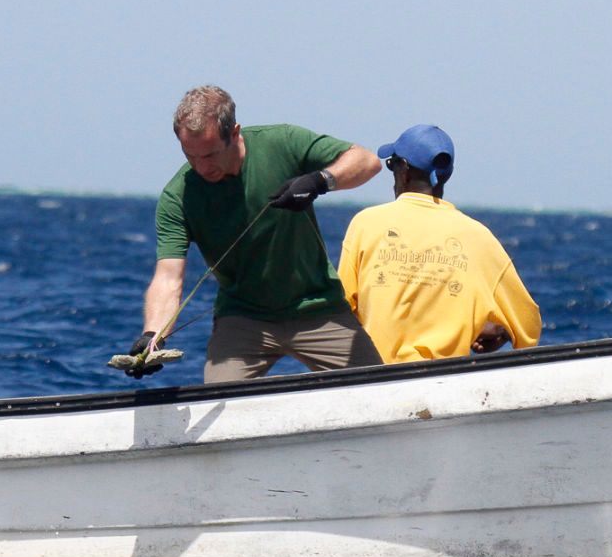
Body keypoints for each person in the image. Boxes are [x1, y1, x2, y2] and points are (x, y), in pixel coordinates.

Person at [125, 85, 385, 382]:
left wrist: (319, 181)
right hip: (243, 318)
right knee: (217, 403)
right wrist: (153, 335)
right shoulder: (178, 196)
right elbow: (169, 277)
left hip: (317, 308)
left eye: (210, 155)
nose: (201, 167)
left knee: (380, 388)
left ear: (235, 133)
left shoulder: (283, 142)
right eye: (190, 156)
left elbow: (368, 161)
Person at [337, 124, 541, 363]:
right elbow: (529, 325)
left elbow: (341, 309)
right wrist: (503, 331)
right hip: (445, 381)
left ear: (403, 170)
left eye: (391, 164)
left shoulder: (366, 224)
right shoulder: (479, 237)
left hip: (379, 378)